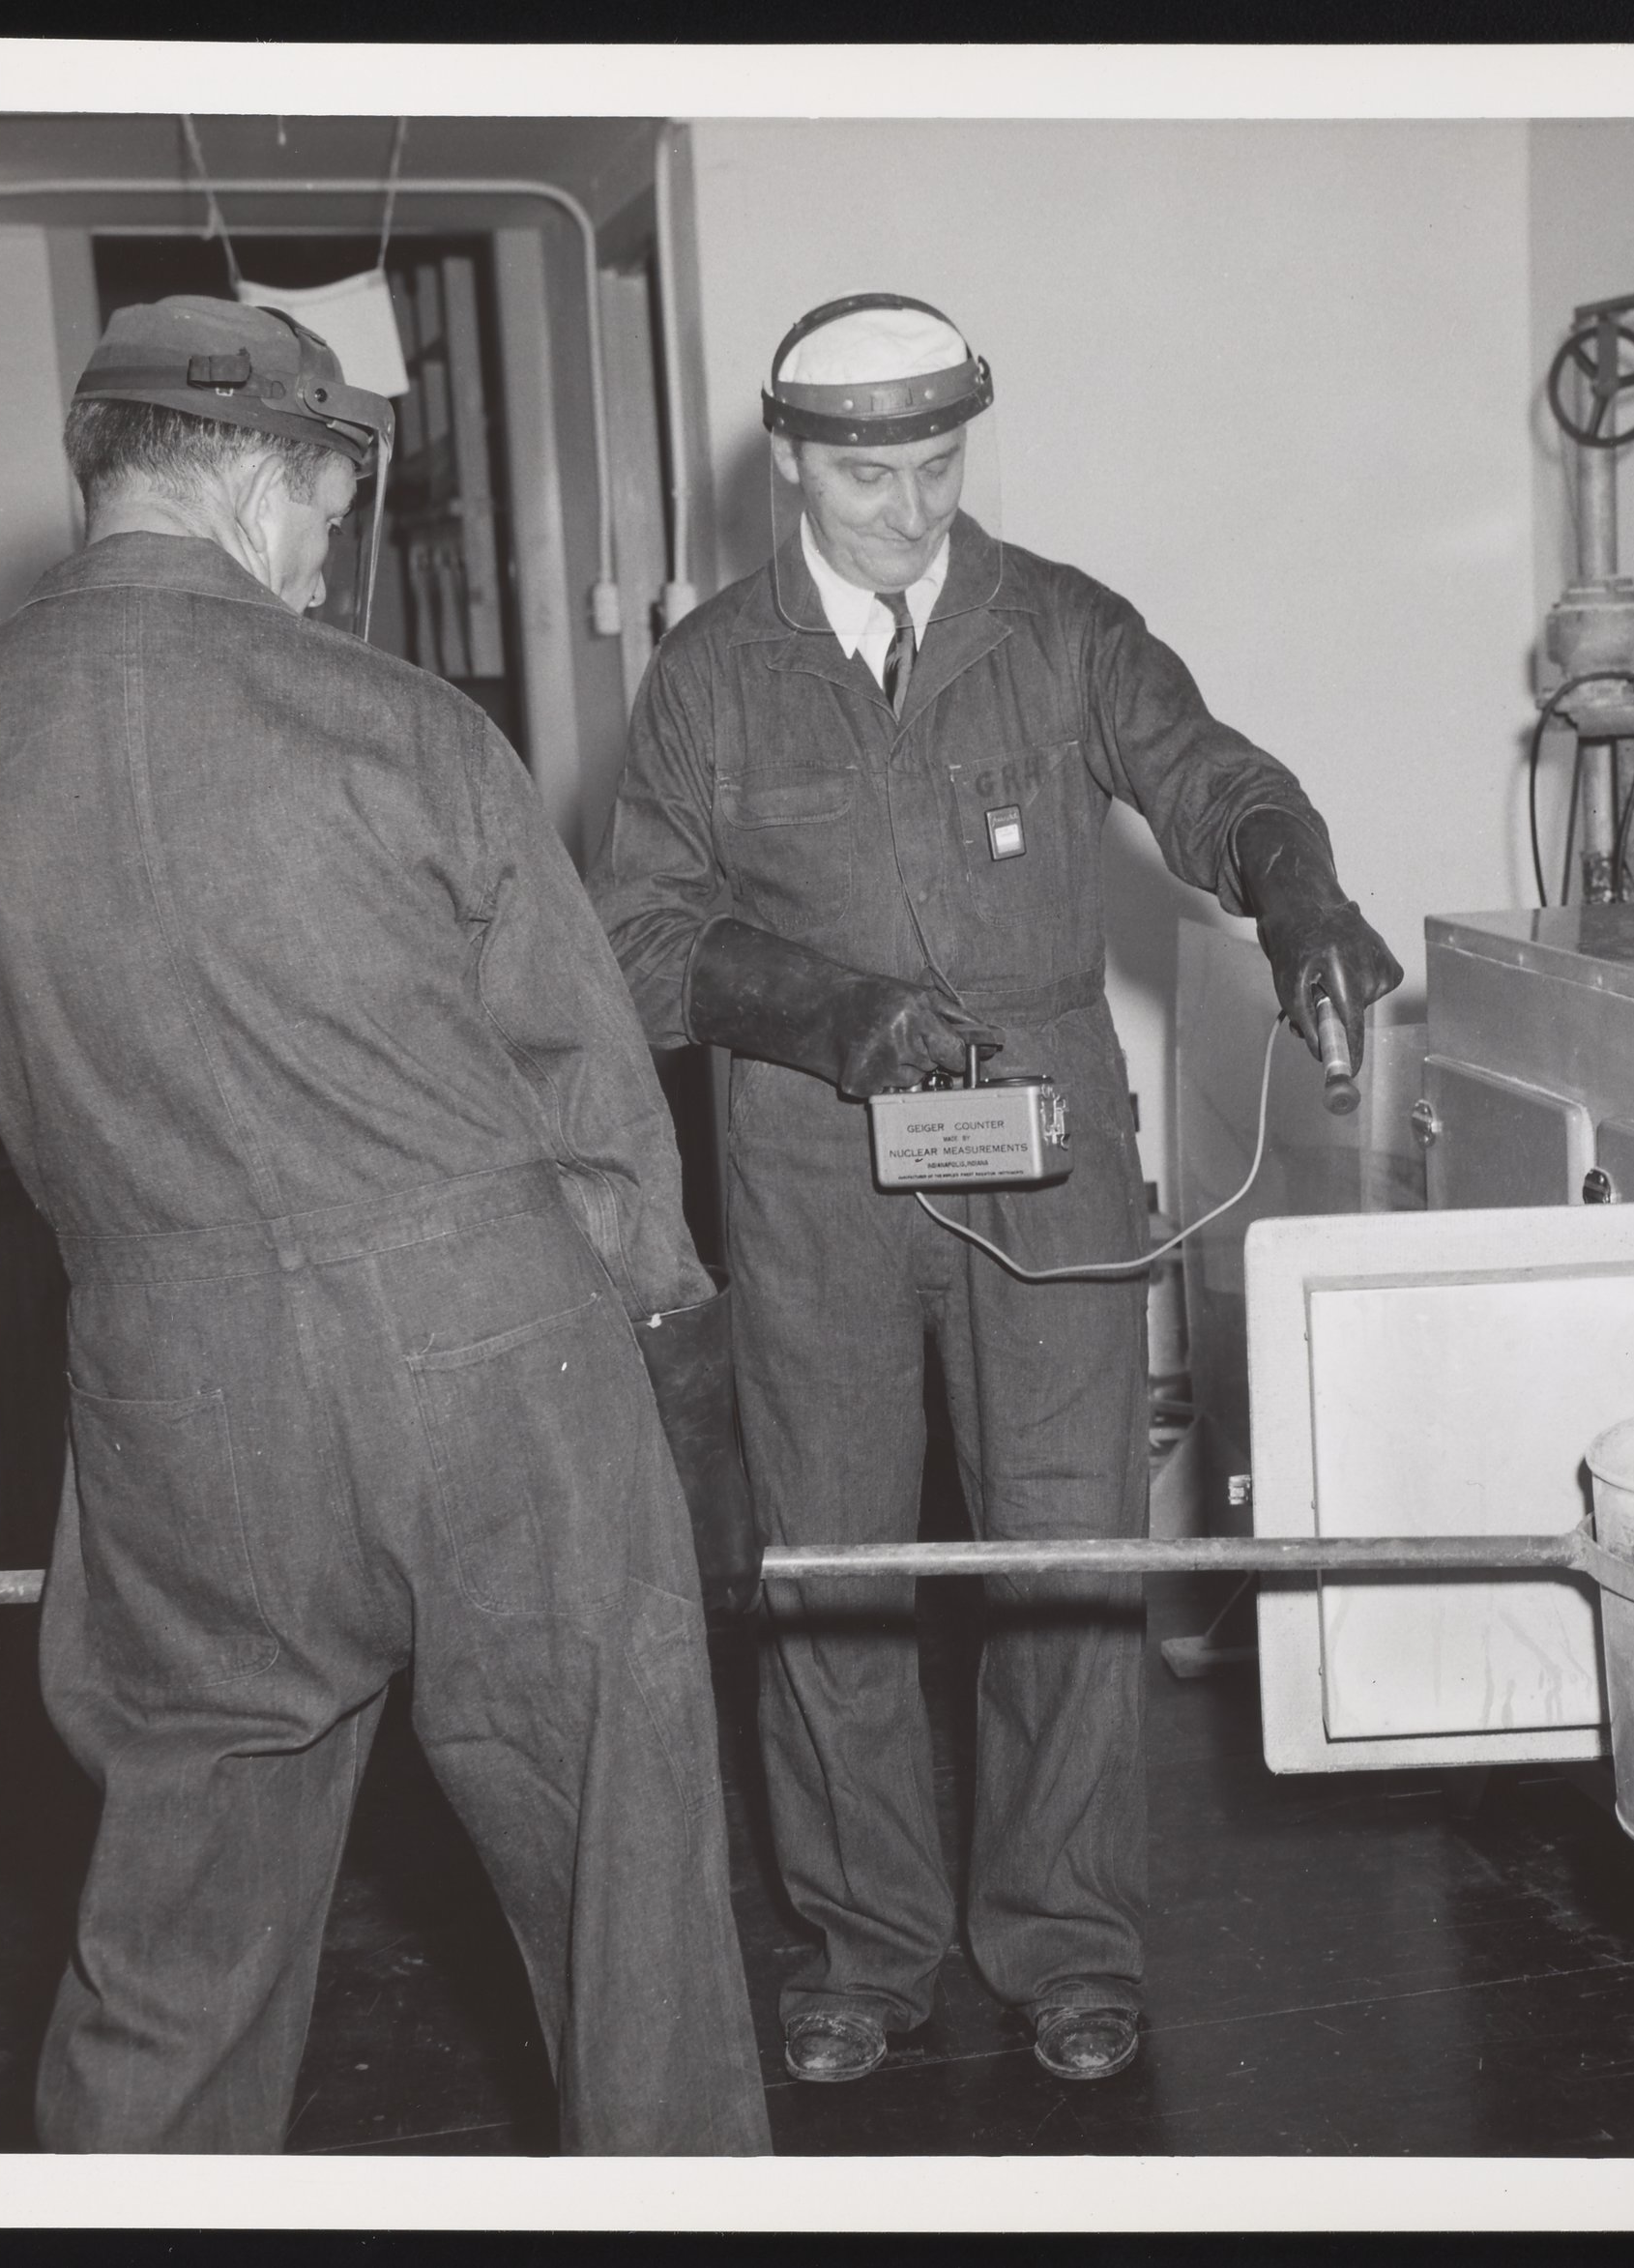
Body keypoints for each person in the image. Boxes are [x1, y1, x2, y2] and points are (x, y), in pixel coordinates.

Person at [0, 296, 771, 2154]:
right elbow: (594, 1113)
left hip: (174, 1405)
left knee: (174, 1950)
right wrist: (683, 1398)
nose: (321, 564)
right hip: (502, 1368)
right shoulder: (408, 729)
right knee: (630, 1923)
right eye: (330, 514)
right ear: (269, 480)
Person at [594, 292, 1401, 2086]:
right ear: (790, 461)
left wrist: (1300, 892)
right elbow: (634, 941)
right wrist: (826, 1010)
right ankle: (863, 1946)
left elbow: (1216, 779)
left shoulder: (1061, 628)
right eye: (867, 475)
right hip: (811, 1162)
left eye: (940, 466)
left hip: (1047, 1151)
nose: (909, 509)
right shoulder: (712, 674)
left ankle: (1069, 1938)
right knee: (833, 1560)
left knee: (1066, 1546)